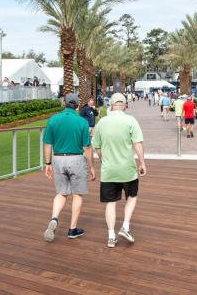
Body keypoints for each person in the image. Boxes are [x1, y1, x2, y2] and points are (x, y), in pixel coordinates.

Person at [93, 93, 146, 248]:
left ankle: (111, 235)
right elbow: (137, 144)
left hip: (109, 171)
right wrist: (142, 163)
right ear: (124, 105)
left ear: (111, 105)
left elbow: (97, 146)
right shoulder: (130, 120)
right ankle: (126, 226)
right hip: (127, 169)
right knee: (132, 196)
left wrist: (104, 159)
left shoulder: (102, 122)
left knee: (111, 203)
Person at [43, 94, 96, 243]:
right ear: (78, 106)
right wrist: (92, 166)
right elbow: (87, 147)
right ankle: (72, 229)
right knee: (77, 194)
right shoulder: (82, 122)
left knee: (61, 193)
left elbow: (47, 144)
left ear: (63, 103)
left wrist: (48, 164)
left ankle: (54, 218)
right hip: (76, 159)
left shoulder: (53, 119)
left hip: (58, 159)